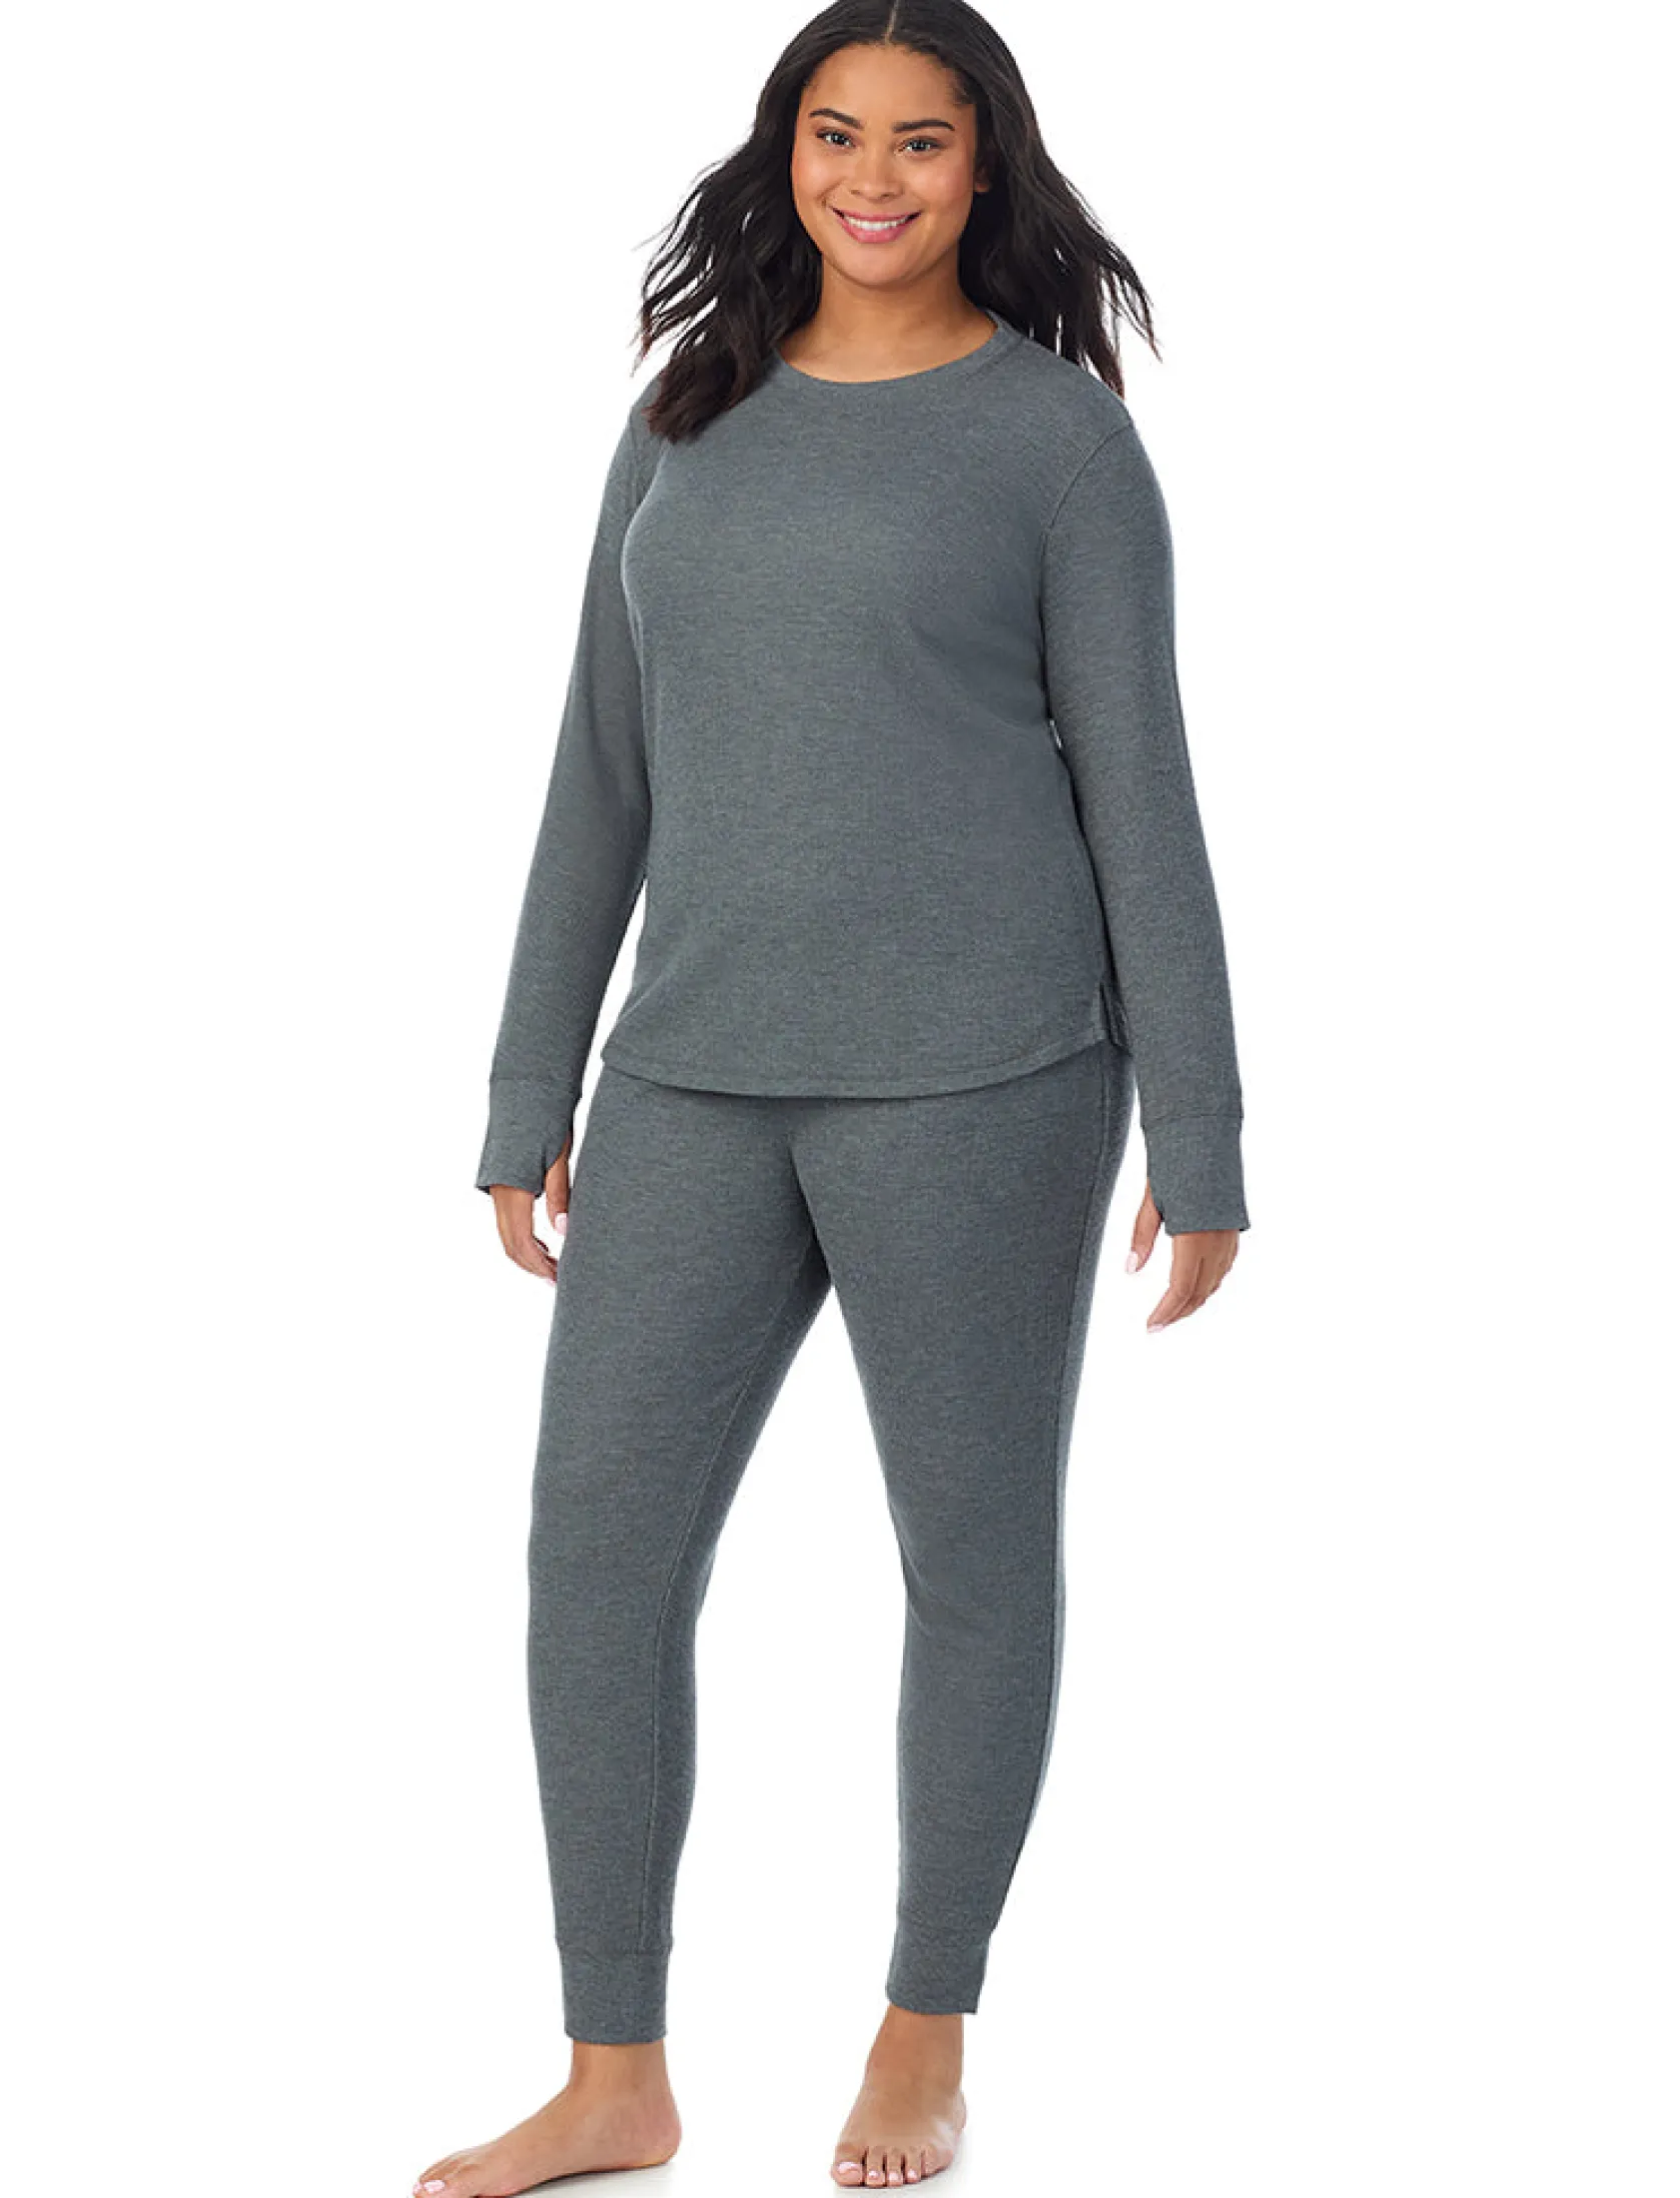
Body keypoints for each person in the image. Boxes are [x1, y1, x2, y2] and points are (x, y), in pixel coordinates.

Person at [416, 6, 1251, 2191]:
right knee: (594, 1563)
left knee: (967, 1559)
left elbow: (1142, 794)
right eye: (833, 132)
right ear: (782, 151)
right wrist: (527, 1075)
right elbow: (599, 771)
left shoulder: (1056, 444)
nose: (870, 177)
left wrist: (1202, 1128)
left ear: (987, 168)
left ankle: (922, 2023)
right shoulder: (683, 417)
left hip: (986, 1074)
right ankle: (615, 2067)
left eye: (920, 142)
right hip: (690, 1067)